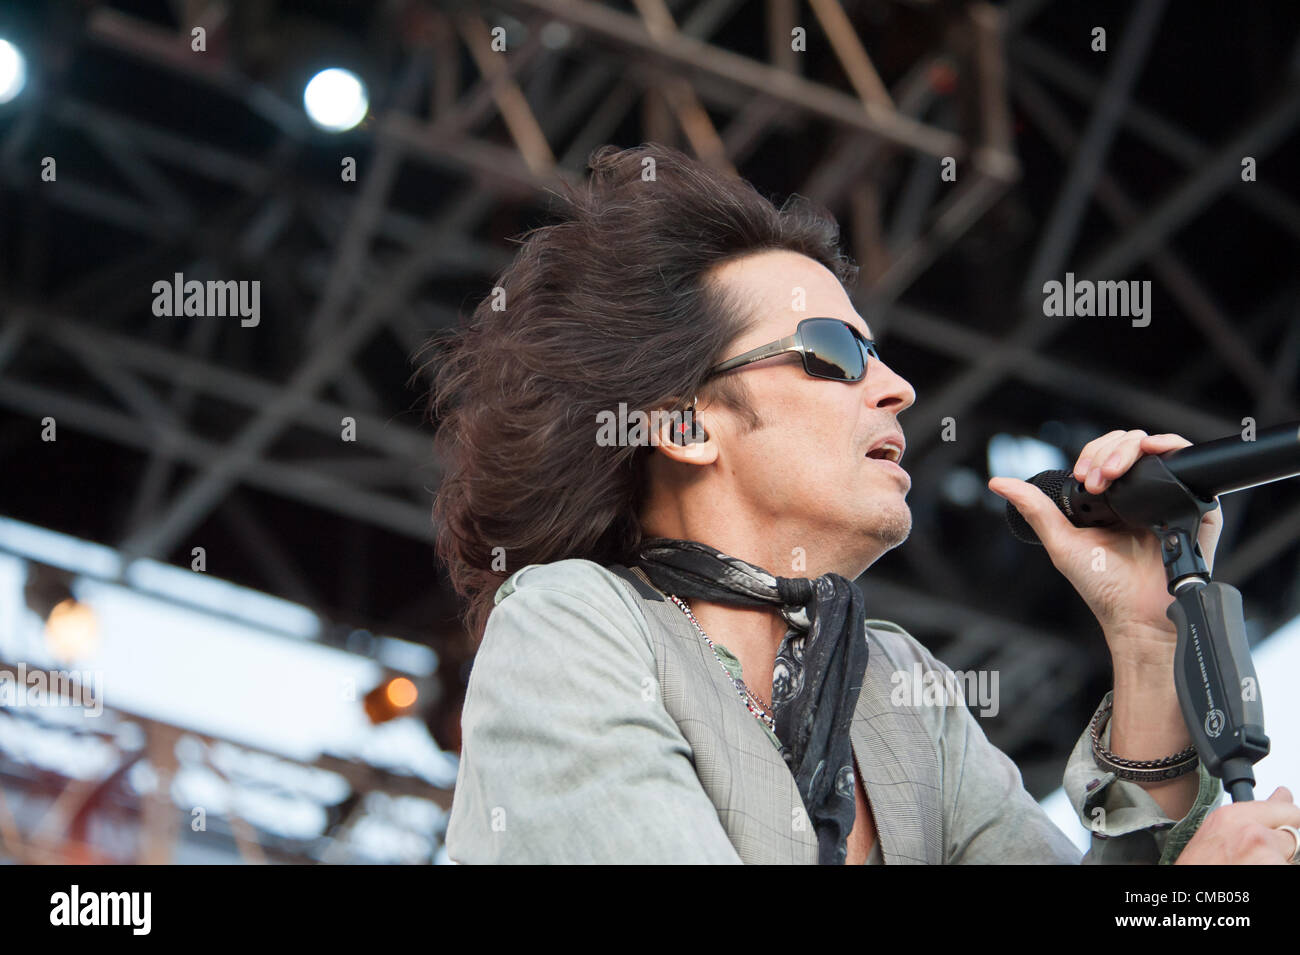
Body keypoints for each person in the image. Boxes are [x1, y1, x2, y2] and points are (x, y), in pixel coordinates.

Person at [429, 143, 1300, 864]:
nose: (898, 387)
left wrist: (1145, 644)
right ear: (688, 426)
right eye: (835, 352)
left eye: (879, 353)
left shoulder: (894, 685)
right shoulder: (567, 625)